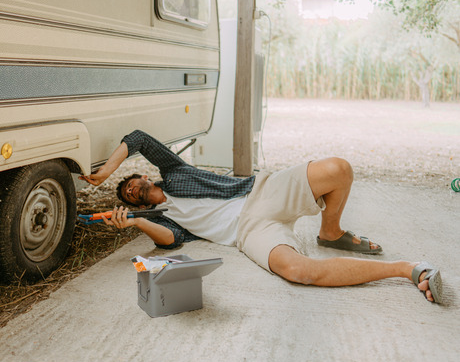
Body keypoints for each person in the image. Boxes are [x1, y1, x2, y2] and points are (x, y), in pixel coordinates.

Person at [79, 130, 443, 304]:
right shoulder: (164, 217)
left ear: (144, 177)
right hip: (249, 231)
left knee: (339, 169)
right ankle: (406, 269)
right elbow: (171, 241)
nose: (131, 191)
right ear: (139, 205)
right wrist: (136, 222)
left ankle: (330, 232)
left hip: (261, 190)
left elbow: (139, 138)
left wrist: (108, 171)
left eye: (130, 184)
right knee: (301, 272)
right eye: (128, 197)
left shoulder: (174, 172)